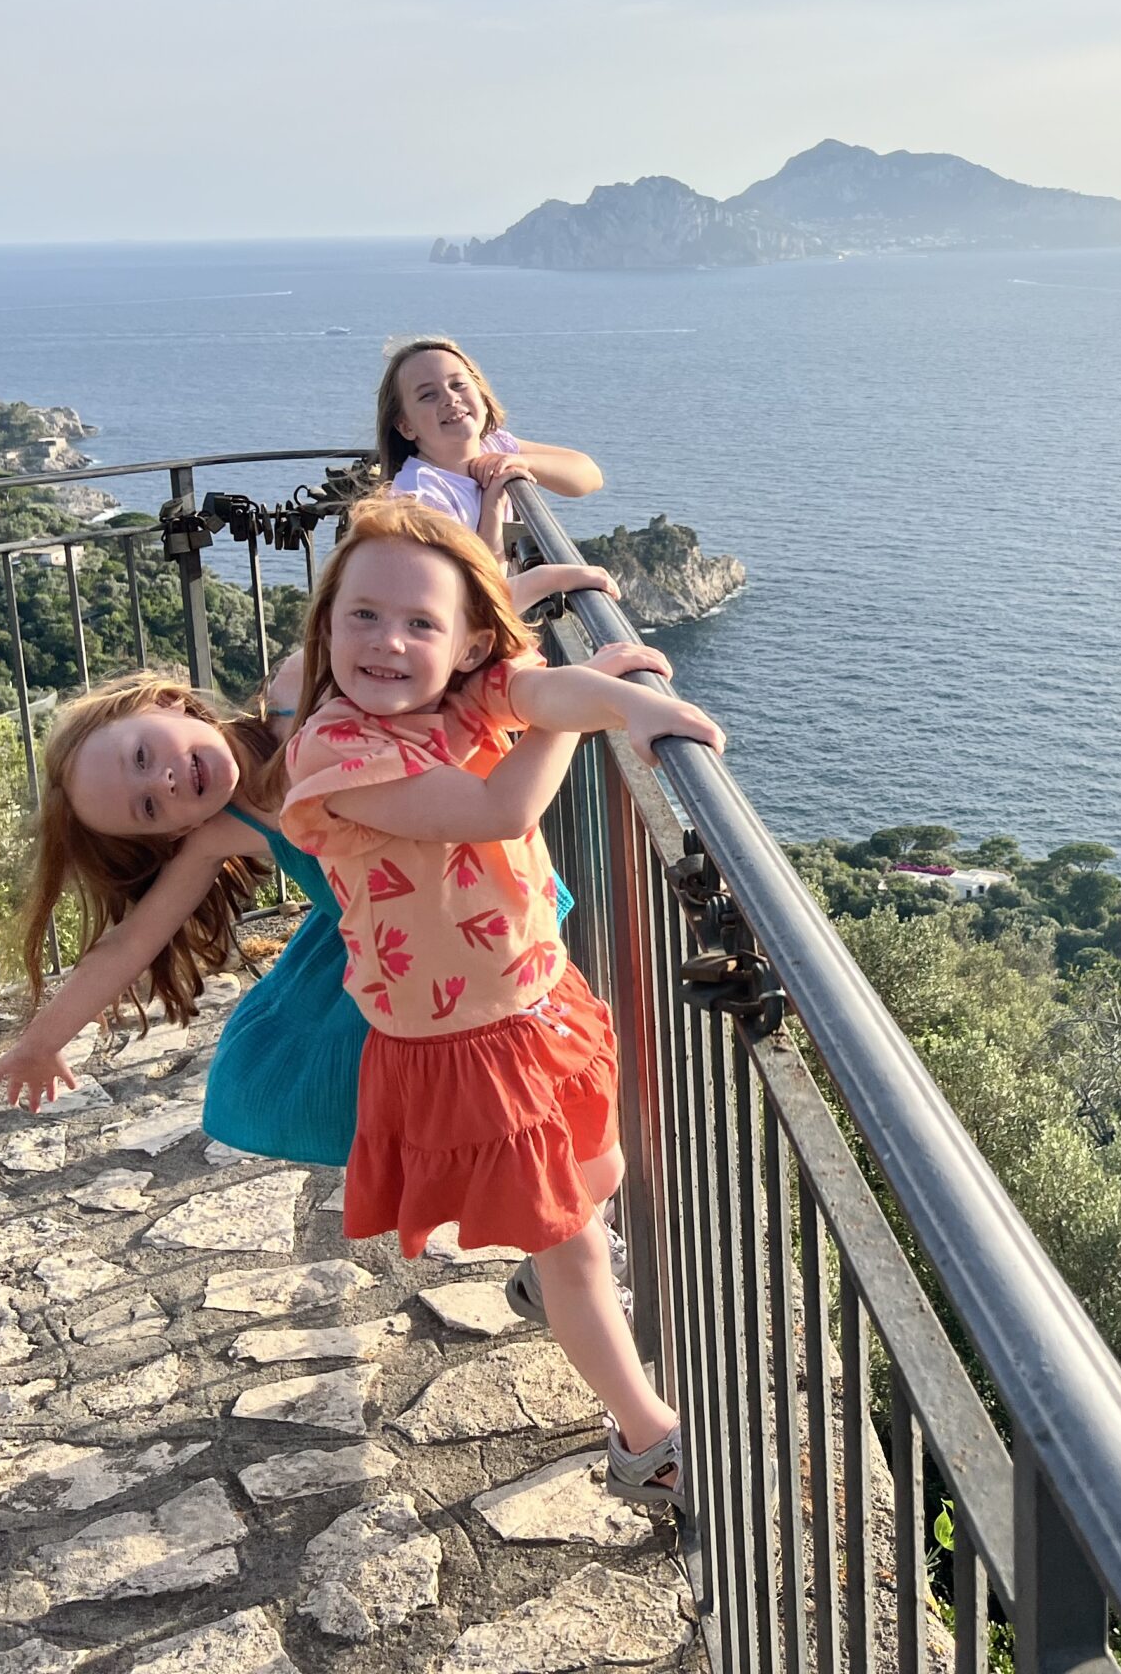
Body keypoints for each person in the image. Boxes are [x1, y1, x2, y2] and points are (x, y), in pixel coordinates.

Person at [282, 492, 720, 1503]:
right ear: (327, 625)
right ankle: (647, 1439)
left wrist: (607, 697)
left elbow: (535, 692)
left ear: (467, 641)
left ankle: (546, 1276)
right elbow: (499, 804)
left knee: (598, 1170)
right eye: (363, 615)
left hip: (537, 998)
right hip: (462, 1045)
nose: (388, 642)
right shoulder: (335, 753)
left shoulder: (463, 694)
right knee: (575, 1242)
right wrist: (605, 712)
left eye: (419, 623)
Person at [0, 638, 670, 1160]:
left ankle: (569, 1237)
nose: (161, 780)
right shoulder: (227, 827)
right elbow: (132, 941)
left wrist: (566, 684)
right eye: (149, 807)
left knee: (561, 1100)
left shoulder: (302, 691)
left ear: (165, 702)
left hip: (485, 912)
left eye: (140, 756)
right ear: (175, 832)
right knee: (518, 1116)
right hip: (407, 967)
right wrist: (42, 1042)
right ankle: (564, 1246)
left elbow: (429, 639)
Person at [376, 337, 603, 559]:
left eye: (458, 385)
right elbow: (479, 581)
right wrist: (492, 507)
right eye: (428, 395)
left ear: (482, 397)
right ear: (406, 426)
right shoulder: (421, 497)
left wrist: (524, 462)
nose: (450, 398)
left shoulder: (493, 444)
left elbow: (590, 476)